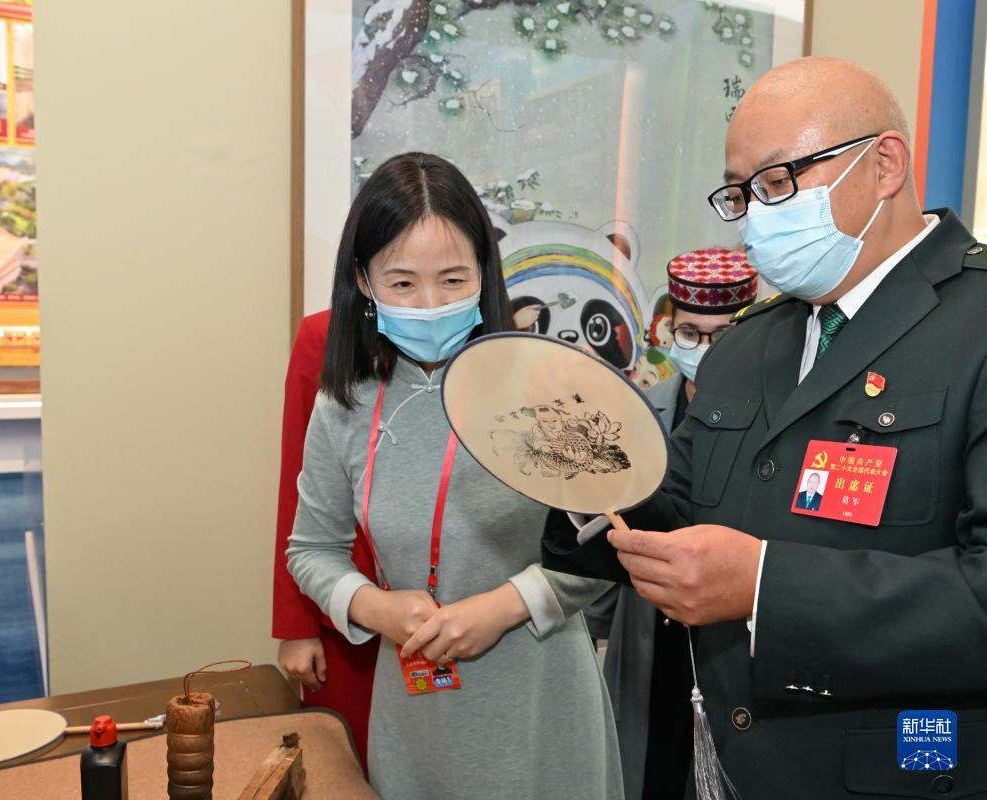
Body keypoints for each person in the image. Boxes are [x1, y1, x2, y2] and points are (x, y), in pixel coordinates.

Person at [543, 56, 987, 797]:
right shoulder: (748, 343)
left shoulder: (975, 324)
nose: (757, 214)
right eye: (740, 193)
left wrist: (763, 588)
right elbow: (678, 512)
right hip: (726, 766)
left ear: (885, 165)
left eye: (778, 183)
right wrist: (580, 472)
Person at [286, 152, 621, 800]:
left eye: (452, 280)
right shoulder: (345, 404)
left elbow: (608, 541)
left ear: (484, 274)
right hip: (416, 715)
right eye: (402, 283)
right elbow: (312, 549)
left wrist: (504, 607)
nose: (430, 303)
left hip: (539, 703)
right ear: (363, 281)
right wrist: (374, 607)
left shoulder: (546, 386)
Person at [584, 248, 757, 800]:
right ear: (668, 330)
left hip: (732, 637)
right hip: (651, 639)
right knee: (648, 770)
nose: (705, 349)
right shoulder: (635, 416)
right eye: (690, 333)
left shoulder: (772, 420)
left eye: (723, 335)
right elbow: (605, 536)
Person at [271, 309, 379, 770]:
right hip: (349, 613)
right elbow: (297, 483)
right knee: (348, 770)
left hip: (468, 612)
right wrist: (296, 626)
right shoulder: (326, 333)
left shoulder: (489, 336)